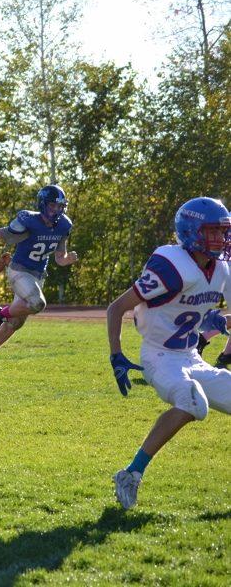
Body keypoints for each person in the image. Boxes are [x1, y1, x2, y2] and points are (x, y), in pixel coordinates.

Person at [107, 196, 231, 509]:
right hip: (159, 356)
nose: (220, 238)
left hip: (191, 356)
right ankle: (131, 473)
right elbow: (117, 307)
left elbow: (193, 311)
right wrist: (116, 355)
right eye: (212, 231)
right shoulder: (171, 265)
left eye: (223, 231)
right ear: (192, 231)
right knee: (193, 403)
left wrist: (213, 319)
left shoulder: (220, 270)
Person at [0, 184, 78, 365]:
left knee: (16, 322)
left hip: (38, 275)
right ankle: (0, 313)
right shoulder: (29, 221)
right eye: (52, 205)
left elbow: (59, 258)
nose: (56, 210)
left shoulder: (64, 225)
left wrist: (68, 259)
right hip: (19, 270)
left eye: (60, 206)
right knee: (37, 303)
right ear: (43, 204)